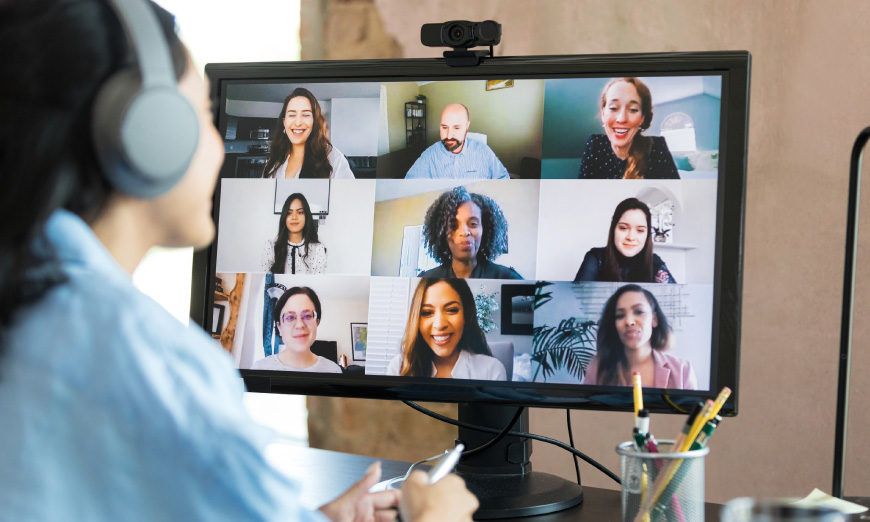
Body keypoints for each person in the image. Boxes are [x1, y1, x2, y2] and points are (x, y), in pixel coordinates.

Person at [0, 1, 478, 521]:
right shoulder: (146, 362)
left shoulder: (32, 306)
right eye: (203, 116)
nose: (216, 147)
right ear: (148, 139)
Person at [386, 279, 507, 380]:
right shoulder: (398, 367)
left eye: (451, 310)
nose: (439, 325)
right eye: (427, 312)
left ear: (466, 315)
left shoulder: (492, 370)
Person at [581, 285, 697, 389]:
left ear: (654, 319)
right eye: (620, 315)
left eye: (639, 312)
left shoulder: (682, 370)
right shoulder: (596, 368)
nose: (629, 321)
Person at [578, 77, 680, 180]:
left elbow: (674, 193)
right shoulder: (595, 144)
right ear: (603, 113)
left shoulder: (657, 147)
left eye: (633, 109)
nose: (622, 119)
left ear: (642, 118)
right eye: (613, 108)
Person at [418, 186, 522, 280]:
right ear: (441, 233)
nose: (464, 232)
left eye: (473, 224)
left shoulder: (507, 278)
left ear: (484, 229)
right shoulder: (426, 280)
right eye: (453, 225)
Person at [574, 198, 676, 283]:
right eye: (623, 228)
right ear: (613, 229)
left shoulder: (655, 262)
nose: (631, 237)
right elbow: (577, 300)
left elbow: (677, 300)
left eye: (640, 230)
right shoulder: (596, 258)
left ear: (647, 234)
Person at [262, 87, 354, 179]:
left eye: (306, 115)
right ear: (284, 122)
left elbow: (348, 193)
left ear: (314, 121)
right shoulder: (275, 159)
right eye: (292, 115)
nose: (298, 123)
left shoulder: (334, 159)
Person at [405, 103, 509, 179]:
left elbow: (503, 179)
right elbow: (409, 186)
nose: (449, 136)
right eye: (444, 127)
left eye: (457, 128)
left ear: (467, 127)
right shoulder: (429, 156)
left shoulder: (484, 152)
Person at [252, 287, 341, 373]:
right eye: (290, 317)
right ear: (279, 327)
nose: (299, 325)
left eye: (307, 316)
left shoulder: (333, 370)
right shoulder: (259, 369)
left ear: (317, 322)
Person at [262, 193, 327, 274]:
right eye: (289, 213)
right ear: (284, 217)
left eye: (300, 212)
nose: (294, 217)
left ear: (306, 216)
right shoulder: (270, 247)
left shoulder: (318, 249)